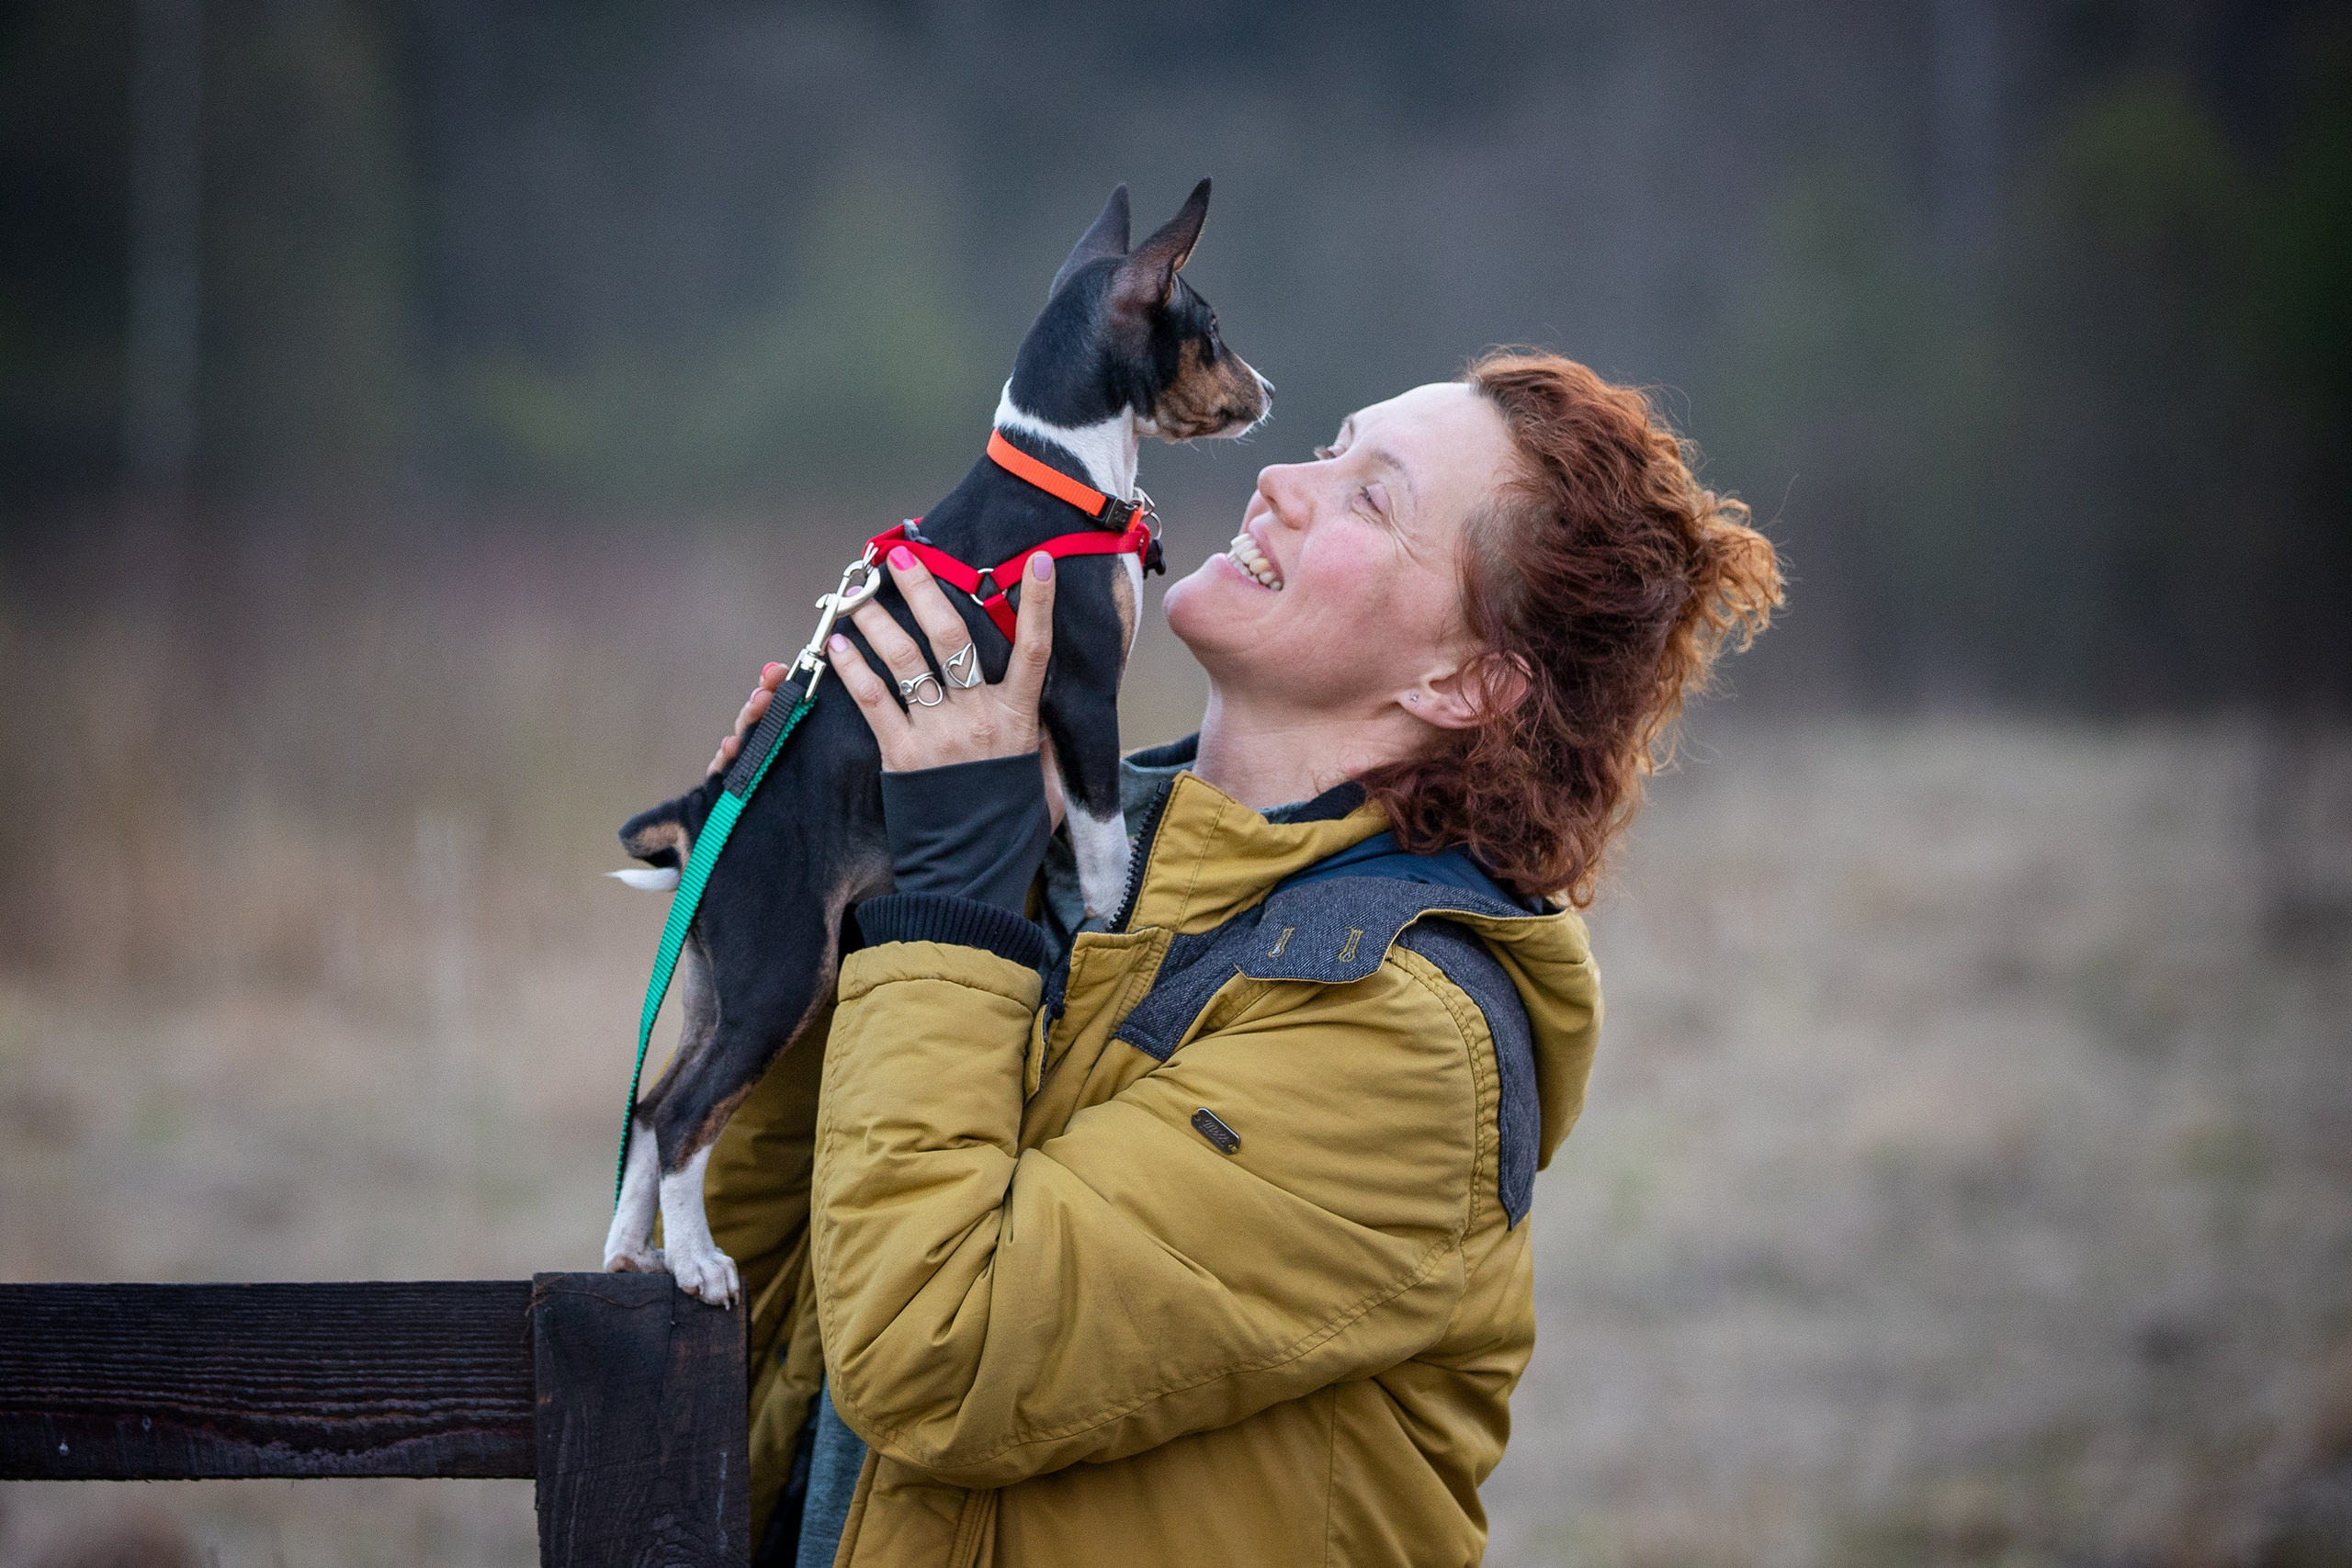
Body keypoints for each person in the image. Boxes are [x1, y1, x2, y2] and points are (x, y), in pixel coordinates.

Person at [694, 351, 1781, 1566]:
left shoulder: (1407, 1047)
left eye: (1373, 497)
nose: (1280, 478)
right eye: (1331, 445)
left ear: (1465, 681)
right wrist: (830, 900)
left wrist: (950, 907)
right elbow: (767, 1317)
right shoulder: (1062, 870)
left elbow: (933, 1351)